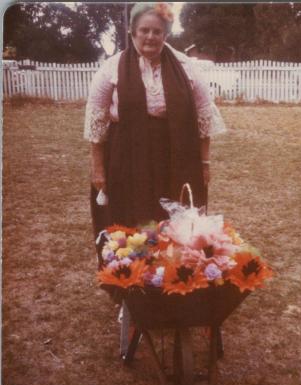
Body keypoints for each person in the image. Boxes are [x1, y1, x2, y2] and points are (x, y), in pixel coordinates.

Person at [84, 2, 226, 258]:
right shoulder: (112, 68)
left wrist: (204, 163)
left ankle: (170, 274)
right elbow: (96, 121)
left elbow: (204, 118)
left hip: (175, 156)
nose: (150, 36)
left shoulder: (187, 67)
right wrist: (98, 168)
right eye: (144, 30)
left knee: (173, 215)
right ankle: (128, 283)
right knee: (129, 216)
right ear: (133, 32)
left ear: (166, 34)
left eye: (157, 31)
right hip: (126, 156)